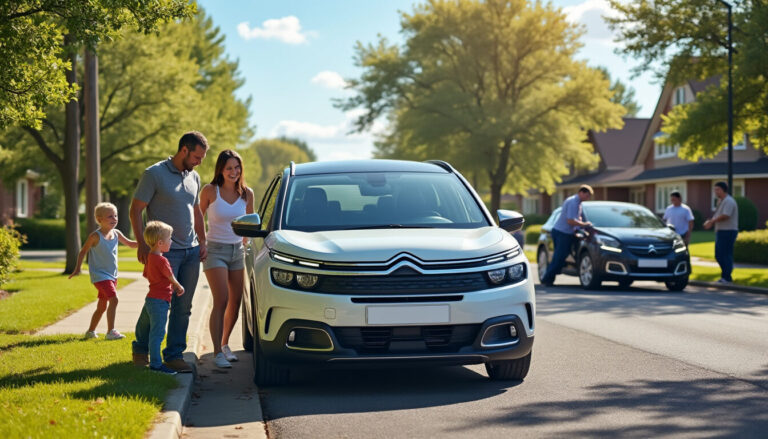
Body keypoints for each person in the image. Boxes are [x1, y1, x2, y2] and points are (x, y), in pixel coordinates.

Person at [130, 131, 209, 373]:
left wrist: (203, 240)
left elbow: (196, 211)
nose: (199, 161)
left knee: (183, 305)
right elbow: (135, 210)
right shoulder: (154, 174)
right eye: (196, 156)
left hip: (191, 251)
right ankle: (141, 347)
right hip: (165, 253)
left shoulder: (193, 177)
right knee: (158, 302)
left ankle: (174, 354)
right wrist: (143, 243)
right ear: (184, 150)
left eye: (202, 158)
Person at [199, 150, 254, 368]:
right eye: (229, 168)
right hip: (215, 250)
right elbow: (197, 214)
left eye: (237, 167)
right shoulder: (210, 190)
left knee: (236, 300)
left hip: (237, 251)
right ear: (221, 170)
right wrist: (201, 241)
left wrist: (247, 240)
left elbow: (251, 221)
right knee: (221, 299)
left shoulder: (247, 193)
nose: (234, 172)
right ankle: (216, 353)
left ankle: (224, 345)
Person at [69, 202, 138, 339]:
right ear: (99, 220)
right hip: (100, 276)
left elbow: (130, 244)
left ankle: (90, 332)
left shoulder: (116, 233)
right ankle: (111, 331)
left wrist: (146, 242)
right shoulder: (95, 236)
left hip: (112, 275)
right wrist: (77, 269)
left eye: (116, 215)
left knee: (102, 306)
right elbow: (83, 252)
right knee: (114, 299)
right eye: (110, 216)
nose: (114, 218)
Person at [132, 221, 185, 375]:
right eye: (170, 239)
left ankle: (146, 357)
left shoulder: (150, 258)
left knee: (147, 330)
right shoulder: (162, 260)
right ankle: (156, 365)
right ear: (160, 243)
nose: (172, 242)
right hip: (160, 302)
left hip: (150, 299)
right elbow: (170, 276)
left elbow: (146, 274)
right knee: (157, 334)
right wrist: (178, 285)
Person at [540, 185, 593, 286]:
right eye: (587, 195)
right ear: (581, 192)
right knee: (559, 257)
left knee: (559, 256)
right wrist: (585, 225)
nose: (588, 198)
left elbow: (576, 218)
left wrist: (579, 225)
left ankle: (549, 278)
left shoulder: (576, 202)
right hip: (563, 233)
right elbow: (570, 221)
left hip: (562, 232)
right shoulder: (574, 202)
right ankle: (547, 279)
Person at [703, 181, 739, 284]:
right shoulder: (721, 201)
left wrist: (712, 222)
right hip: (721, 231)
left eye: (717, 189)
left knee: (725, 254)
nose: (715, 192)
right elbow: (718, 215)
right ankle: (725, 276)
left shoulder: (729, 201)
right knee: (719, 254)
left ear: (723, 190)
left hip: (728, 231)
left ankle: (727, 277)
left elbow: (725, 215)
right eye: (715, 189)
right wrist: (710, 222)